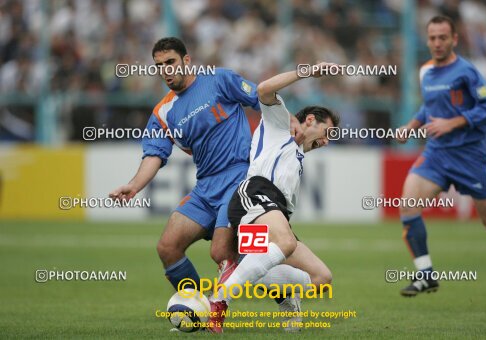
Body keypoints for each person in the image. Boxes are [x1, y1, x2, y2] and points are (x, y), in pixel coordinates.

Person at [109, 37, 262, 292]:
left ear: (186, 61)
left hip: (240, 179)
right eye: (159, 65)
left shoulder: (219, 80)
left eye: (171, 62)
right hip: (206, 188)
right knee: (168, 247)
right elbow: (154, 155)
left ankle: (287, 293)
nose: (166, 70)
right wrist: (134, 185)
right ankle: (197, 307)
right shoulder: (163, 113)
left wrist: (289, 124)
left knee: (226, 252)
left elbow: (263, 99)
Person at [207, 63, 339, 333]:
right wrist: (308, 71)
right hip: (253, 195)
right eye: (329, 133)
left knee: (322, 278)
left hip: (274, 214)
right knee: (285, 241)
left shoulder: (299, 157)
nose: (327, 142)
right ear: (311, 119)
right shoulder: (281, 123)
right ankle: (220, 299)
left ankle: (282, 291)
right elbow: (264, 89)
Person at [396, 16, 486, 297]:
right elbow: (429, 107)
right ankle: (425, 275)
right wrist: (411, 126)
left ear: (454, 40)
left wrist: (453, 122)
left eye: (443, 37)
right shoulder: (425, 72)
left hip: (469, 157)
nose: (437, 43)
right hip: (436, 154)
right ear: (427, 40)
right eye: (432, 37)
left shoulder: (467, 72)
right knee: (408, 205)